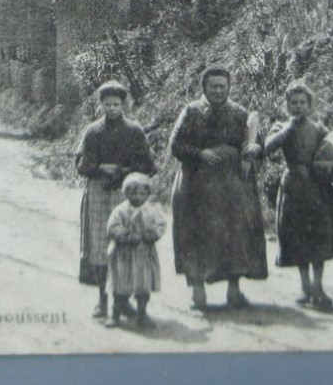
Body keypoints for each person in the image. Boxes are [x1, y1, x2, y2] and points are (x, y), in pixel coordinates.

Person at [169, 65, 268, 310]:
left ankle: (234, 291)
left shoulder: (238, 112)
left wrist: (256, 149)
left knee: (235, 235)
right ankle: (198, 291)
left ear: (229, 88)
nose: (218, 90)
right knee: (196, 235)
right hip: (196, 186)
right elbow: (176, 145)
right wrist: (199, 153)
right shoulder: (191, 112)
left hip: (231, 187)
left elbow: (257, 142)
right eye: (213, 86)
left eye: (222, 86)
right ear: (204, 88)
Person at [75, 80, 157, 320]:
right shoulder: (92, 131)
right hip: (99, 193)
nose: (111, 109)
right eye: (107, 104)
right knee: (100, 246)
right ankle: (102, 300)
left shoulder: (134, 131)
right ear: (101, 105)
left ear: (124, 105)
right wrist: (99, 169)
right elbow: (81, 164)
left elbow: (148, 164)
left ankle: (124, 301)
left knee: (127, 245)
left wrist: (123, 172)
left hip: (126, 193)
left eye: (116, 104)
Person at [265, 81, 333, 310]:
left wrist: (331, 165)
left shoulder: (319, 129)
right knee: (298, 237)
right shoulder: (280, 127)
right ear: (287, 105)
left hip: (318, 188)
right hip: (294, 188)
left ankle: (319, 286)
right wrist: (287, 130)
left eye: (302, 103)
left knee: (319, 236)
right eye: (294, 103)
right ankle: (305, 286)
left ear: (310, 105)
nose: (298, 107)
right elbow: (268, 149)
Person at [104, 172, 165, 329]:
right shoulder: (121, 210)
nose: (139, 197)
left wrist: (152, 234)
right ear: (127, 193)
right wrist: (126, 235)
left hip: (144, 253)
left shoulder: (151, 210)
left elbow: (161, 224)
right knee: (120, 285)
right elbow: (112, 227)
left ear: (147, 194)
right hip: (123, 254)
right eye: (134, 193)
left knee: (143, 285)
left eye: (143, 193)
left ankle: (142, 314)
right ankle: (115, 315)